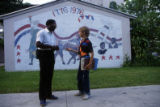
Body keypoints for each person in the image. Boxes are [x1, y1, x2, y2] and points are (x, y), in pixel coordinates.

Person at [36, 19, 59, 106]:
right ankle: (42, 98)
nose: (55, 26)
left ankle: (48, 94)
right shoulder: (42, 32)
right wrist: (51, 47)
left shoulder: (52, 34)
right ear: (49, 25)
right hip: (43, 55)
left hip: (50, 55)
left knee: (49, 75)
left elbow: (51, 46)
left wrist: (55, 47)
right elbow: (38, 44)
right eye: (54, 24)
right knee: (43, 77)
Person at [67, 26, 94, 100]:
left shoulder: (88, 42)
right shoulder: (81, 41)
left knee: (85, 77)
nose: (78, 33)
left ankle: (87, 93)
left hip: (86, 60)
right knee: (79, 76)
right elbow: (79, 52)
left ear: (84, 32)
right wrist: (71, 50)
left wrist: (90, 63)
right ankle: (81, 91)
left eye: (79, 32)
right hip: (82, 60)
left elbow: (92, 53)